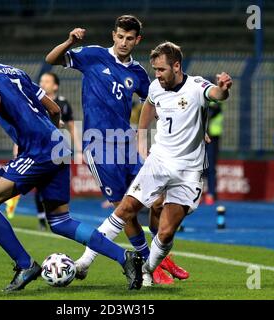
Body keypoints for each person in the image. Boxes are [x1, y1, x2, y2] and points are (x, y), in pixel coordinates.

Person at [0, 33, 144, 291]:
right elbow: (54, 109)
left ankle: (25, 265)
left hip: (39, 150)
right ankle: (126, 257)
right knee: (60, 221)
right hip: (57, 146)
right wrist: (51, 137)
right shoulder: (15, 71)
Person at [45, 15, 188, 285]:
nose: (124, 42)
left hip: (127, 145)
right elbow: (51, 59)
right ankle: (148, 263)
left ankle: (152, 257)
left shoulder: (138, 74)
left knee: (157, 198)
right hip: (99, 146)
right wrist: (69, 41)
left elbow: (157, 102)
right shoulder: (94, 55)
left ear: (137, 40)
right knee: (126, 208)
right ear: (114, 35)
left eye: (129, 38)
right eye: (120, 36)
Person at [99, 41, 232, 287]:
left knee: (167, 231)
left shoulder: (196, 86)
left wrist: (224, 89)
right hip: (159, 161)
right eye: (155, 70)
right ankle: (84, 262)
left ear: (177, 66)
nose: (157, 74)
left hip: (189, 170)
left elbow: (216, 94)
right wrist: (141, 136)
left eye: (161, 69)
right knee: (130, 208)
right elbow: (149, 104)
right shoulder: (156, 87)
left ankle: (149, 267)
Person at [5, 72, 82, 230]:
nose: (43, 83)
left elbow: (72, 127)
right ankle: (41, 219)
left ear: (55, 86)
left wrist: (79, 149)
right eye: (41, 81)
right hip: (37, 149)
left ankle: (58, 216)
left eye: (47, 81)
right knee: (38, 184)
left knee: (55, 186)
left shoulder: (62, 104)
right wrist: (17, 147)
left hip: (58, 151)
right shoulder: (33, 101)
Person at [204, 100, 225, 205]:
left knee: (211, 166)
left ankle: (211, 193)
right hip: (201, 135)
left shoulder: (216, 98)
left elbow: (213, 110)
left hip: (212, 137)